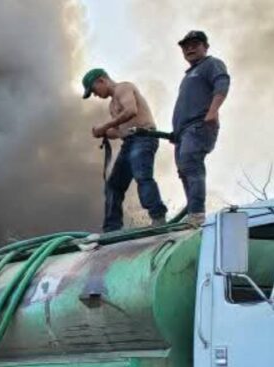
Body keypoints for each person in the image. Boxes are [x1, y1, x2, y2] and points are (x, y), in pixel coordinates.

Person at [82, 68, 168, 232]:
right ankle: (112, 228)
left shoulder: (124, 88)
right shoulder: (112, 105)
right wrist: (103, 132)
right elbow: (120, 131)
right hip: (129, 142)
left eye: (94, 90)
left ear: (102, 80)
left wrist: (105, 125)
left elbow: (131, 111)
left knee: (142, 175)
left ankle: (158, 217)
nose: (95, 94)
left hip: (144, 137)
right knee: (114, 185)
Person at [172, 30, 230, 225]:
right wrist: (177, 132)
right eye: (185, 46)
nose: (189, 48)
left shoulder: (211, 64)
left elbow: (222, 82)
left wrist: (213, 111)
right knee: (183, 170)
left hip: (199, 126)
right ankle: (192, 213)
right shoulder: (189, 75)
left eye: (195, 44)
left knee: (191, 163)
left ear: (205, 46)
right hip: (183, 132)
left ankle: (196, 214)